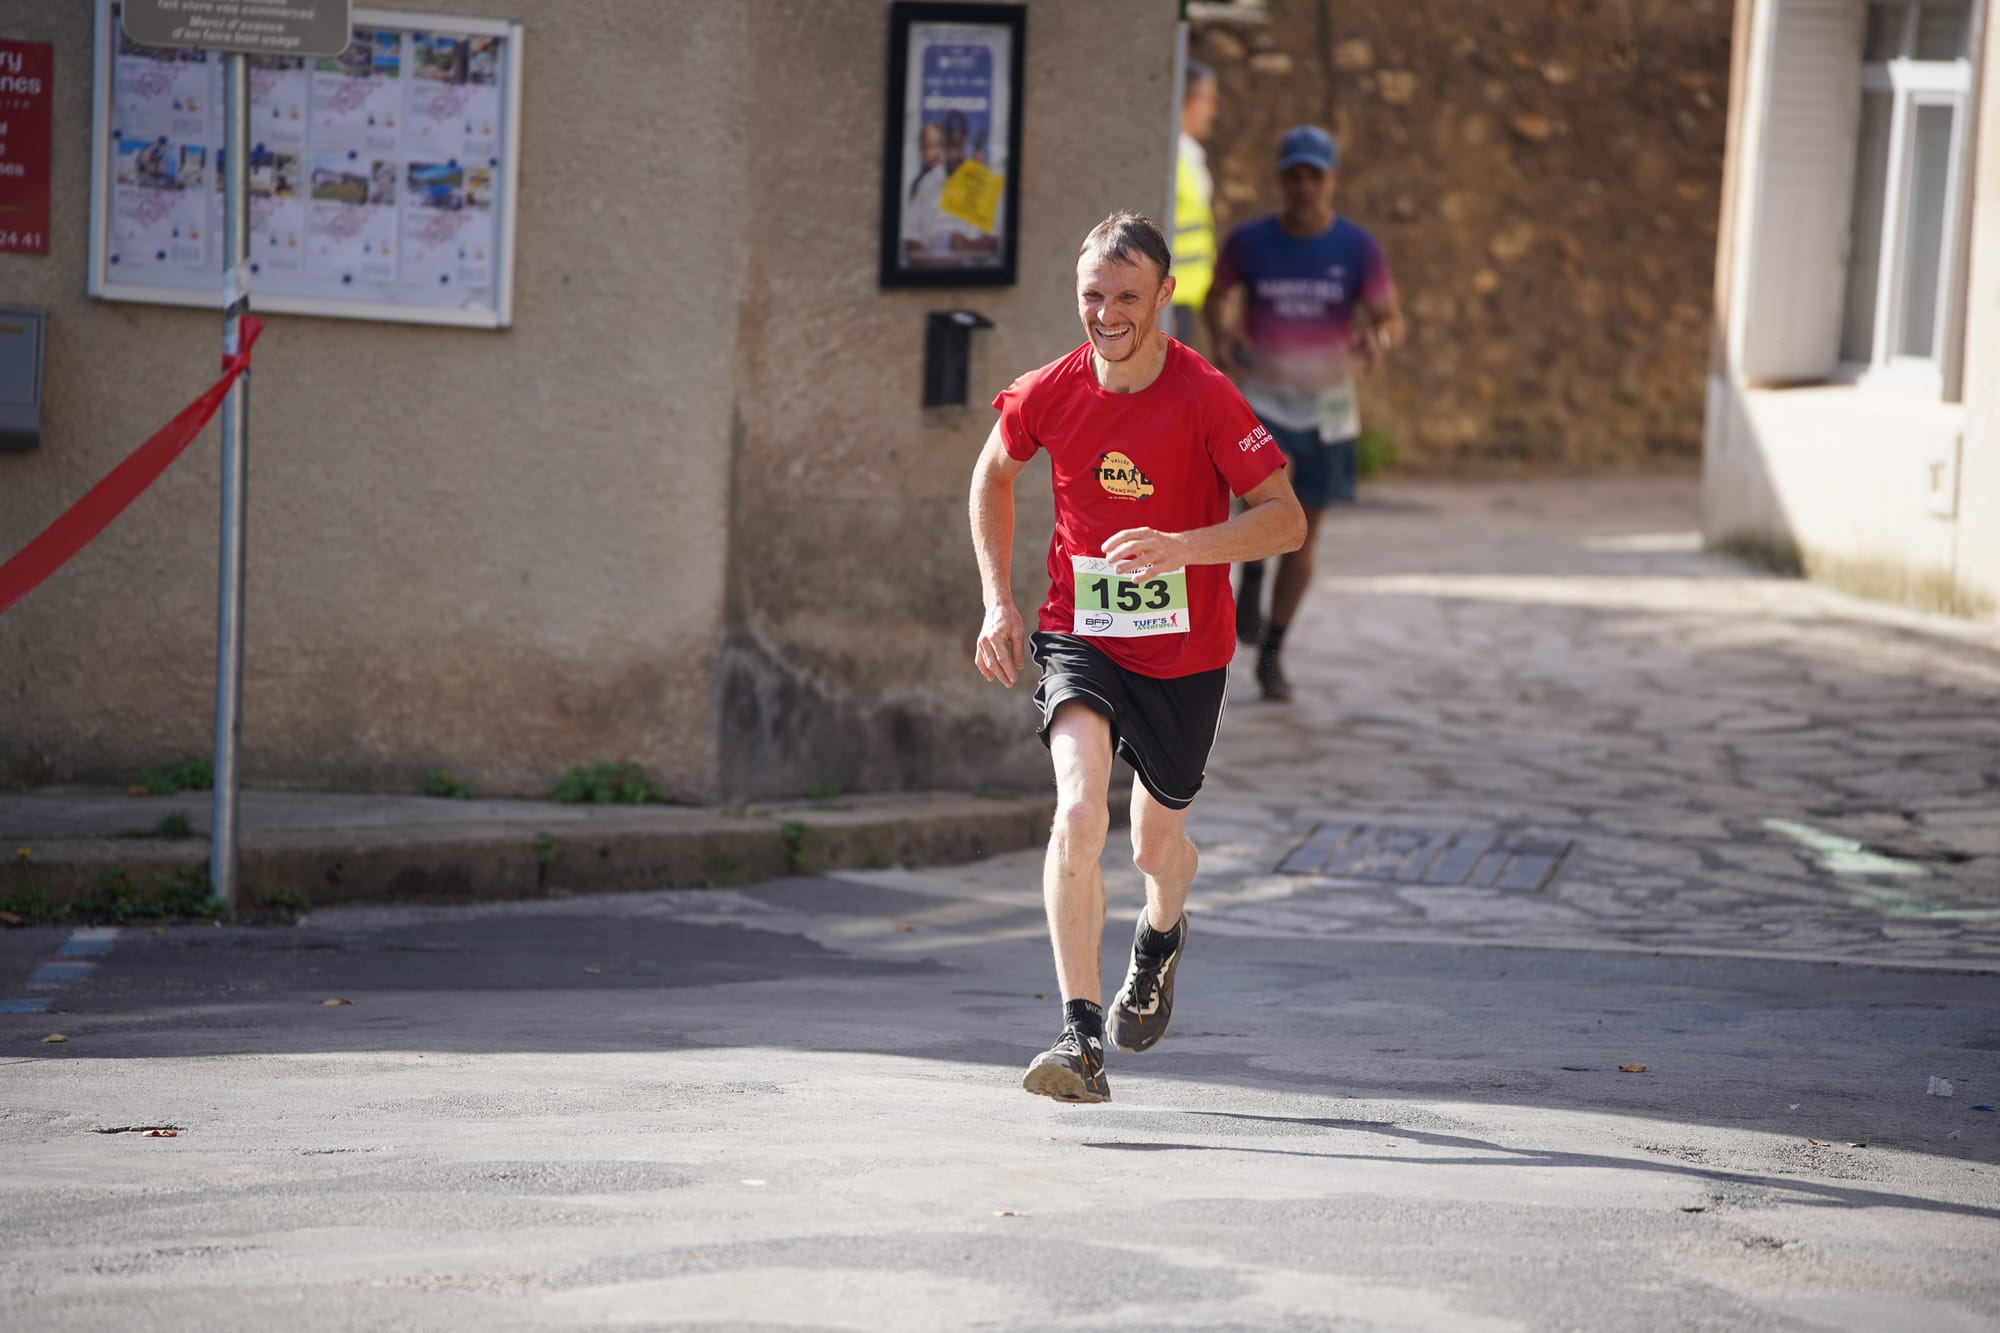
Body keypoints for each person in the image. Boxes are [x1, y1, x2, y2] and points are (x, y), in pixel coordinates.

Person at [969, 212, 1306, 1103]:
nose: (1107, 313)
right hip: (1080, 636)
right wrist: (1000, 601)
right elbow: (992, 474)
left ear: (1163, 295)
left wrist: (1183, 548)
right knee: (1079, 815)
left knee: (1158, 845)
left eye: (1127, 296)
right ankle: (1080, 1035)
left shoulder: (1204, 395)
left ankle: (1159, 938)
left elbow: (1285, 515)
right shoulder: (1052, 389)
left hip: (1187, 653)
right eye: (1092, 296)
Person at [1205, 125, 1403, 702]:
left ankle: (1273, 650)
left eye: (1314, 174)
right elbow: (1217, 294)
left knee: (1303, 538)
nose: (1303, 185)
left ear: (1332, 180)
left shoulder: (1357, 248)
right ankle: (1253, 570)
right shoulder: (1249, 242)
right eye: (1293, 174)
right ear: (1279, 179)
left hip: (1328, 407)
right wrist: (1223, 334)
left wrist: (1378, 340)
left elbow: (1389, 316)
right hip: (1263, 399)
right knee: (1264, 502)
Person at [1169, 62, 1219, 347]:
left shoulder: (1188, 156)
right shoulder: (1172, 159)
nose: (1213, 111)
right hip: (1169, 302)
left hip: (1184, 301)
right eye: (1210, 100)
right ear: (1190, 99)